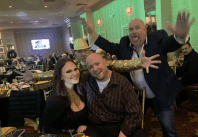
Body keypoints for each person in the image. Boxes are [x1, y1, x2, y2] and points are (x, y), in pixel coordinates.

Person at [85, 6, 195, 137]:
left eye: (137, 28)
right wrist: (91, 31)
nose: (133, 31)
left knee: (169, 130)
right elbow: (107, 45)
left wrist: (181, 34)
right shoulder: (124, 44)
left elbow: (172, 42)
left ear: (145, 30)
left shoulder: (157, 38)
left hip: (160, 94)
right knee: (133, 126)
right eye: (130, 29)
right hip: (138, 96)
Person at [82, 53, 158, 137]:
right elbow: (76, 104)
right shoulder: (86, 81)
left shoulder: (122, 82)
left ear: (105, 62)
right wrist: (81, 122)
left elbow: (134, 115)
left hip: (122, 127)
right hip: (96, 128)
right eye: (90, 67)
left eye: (97, 64)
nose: (95, 69)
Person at [16, 38, 161, 83]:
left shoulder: (99, 61)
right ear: (75, 54)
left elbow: (119, 64)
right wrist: (35, 76)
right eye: (80, 52)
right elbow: (55, 74)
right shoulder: (74, 67)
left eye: (86, 50)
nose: (84, 54)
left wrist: (138, 63)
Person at [44, 58, 87, 134]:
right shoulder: (56, 100)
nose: (75, 73)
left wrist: (84, 125)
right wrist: (72, 134)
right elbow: (49, 129)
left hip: (85, 136)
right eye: (69, 71)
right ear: (61, 76)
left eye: (75, 69)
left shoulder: (80, 90)